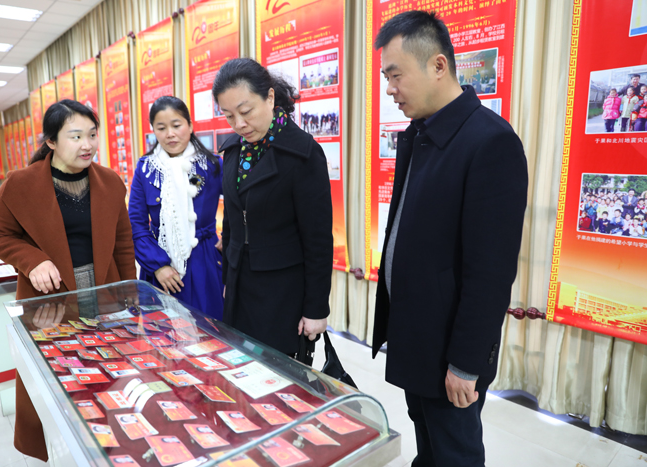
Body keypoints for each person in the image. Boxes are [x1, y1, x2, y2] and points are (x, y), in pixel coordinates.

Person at [371, 11, 528, 466]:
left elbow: (491, 273)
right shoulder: (420, 133)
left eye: (396, 75)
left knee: (454, 452)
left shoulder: (489, 142)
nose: (390, 89)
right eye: (385, 77)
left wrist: (465, 362)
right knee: (429, 445)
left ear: (438, 65)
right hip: (416, 334)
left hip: (448, 349)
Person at [0, 99, 136, 462]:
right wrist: (32, 260)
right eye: (76, 136)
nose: (88, 144)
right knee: (58, 382)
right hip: (50, 302)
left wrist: (130, 294)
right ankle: (64, 451)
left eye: (92, 135)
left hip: (103, 296)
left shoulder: (110, 182)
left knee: (106, 375)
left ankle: (106, 448)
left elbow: (122, 242)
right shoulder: (20, 184)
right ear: (51, 141)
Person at [211, 58, 333, 357]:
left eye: (246, 112)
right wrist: (228, 280)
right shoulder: (233, 150)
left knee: (276, 372)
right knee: (238, 364)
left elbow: (318, 239)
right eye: (229, 116)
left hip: (281, 290)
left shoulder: (302, 153)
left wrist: (316, 309)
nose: (239, 124)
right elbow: (231, 223)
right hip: (239, 284)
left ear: (269, 97)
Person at [128, 96, 224, 320]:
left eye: (176, 125)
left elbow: (240, 203)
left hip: (205, 262)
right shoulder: (146, 169)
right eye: (161, 128)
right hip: (160, 268)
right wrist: (158, 266)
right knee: (163, 333)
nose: (170, 134)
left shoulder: (212, 165)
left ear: (189, 126)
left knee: (209, 330)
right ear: (154, 131)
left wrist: (229, 233)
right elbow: (136, 224)